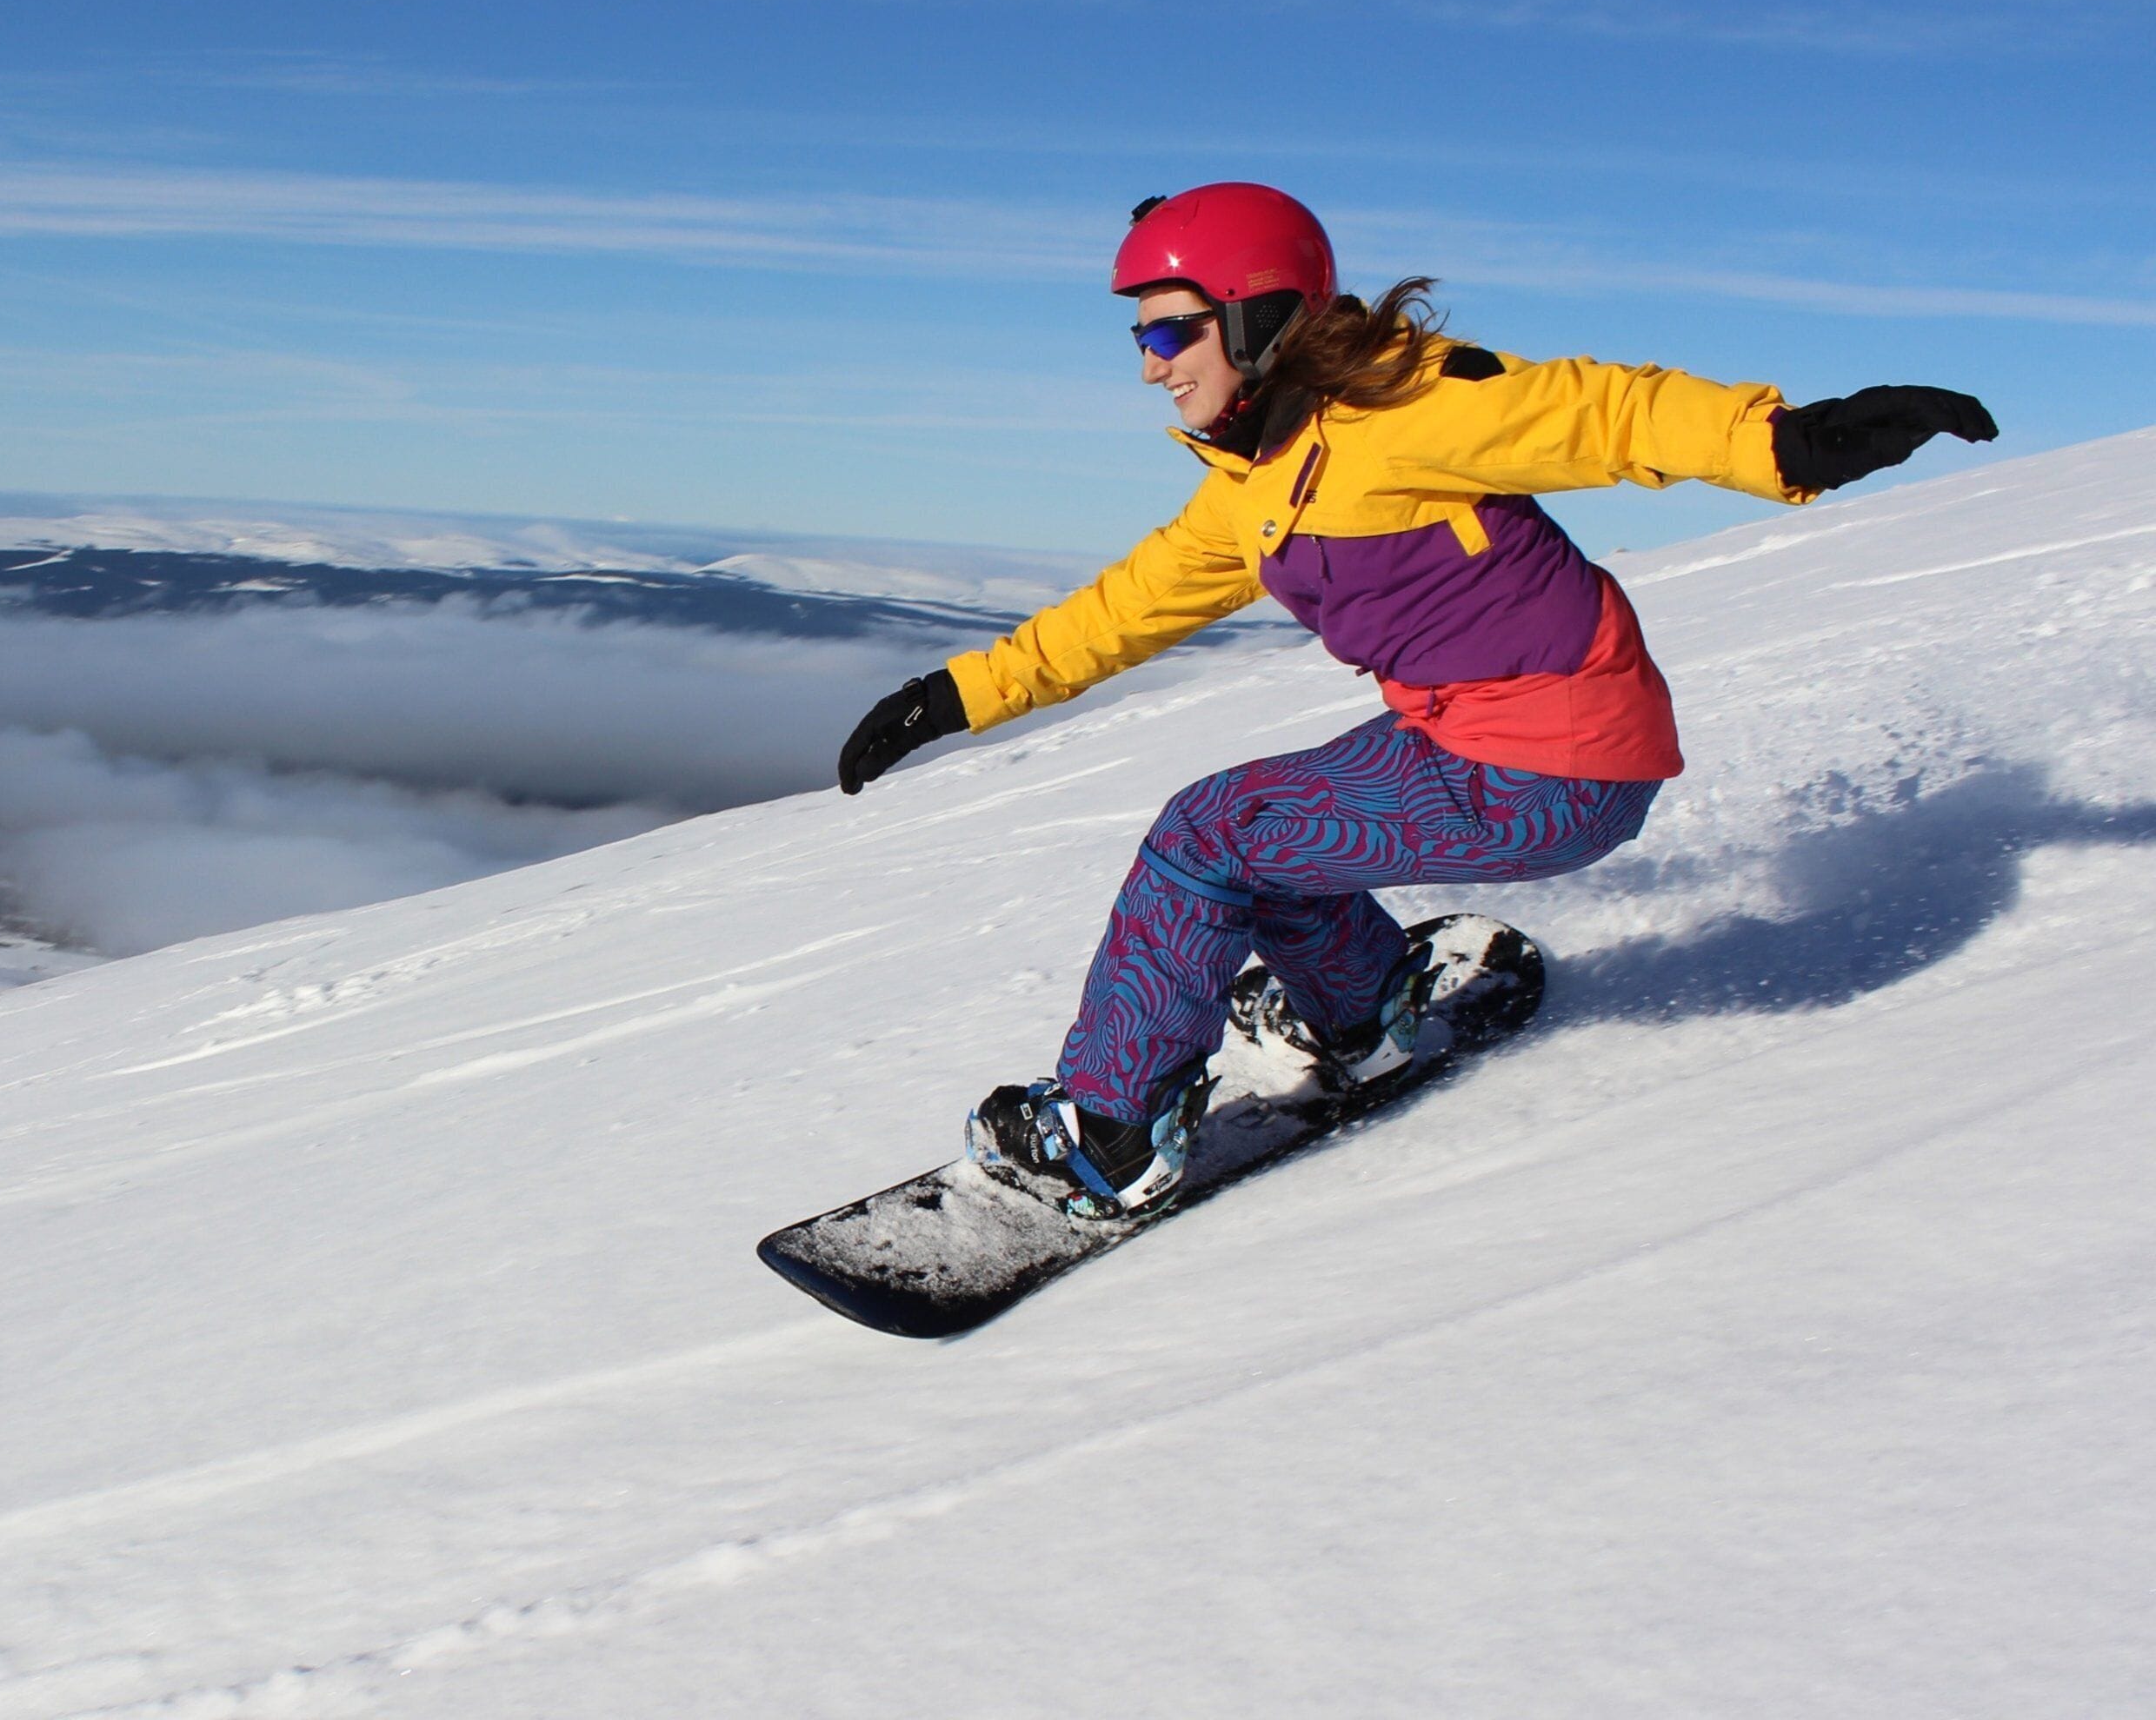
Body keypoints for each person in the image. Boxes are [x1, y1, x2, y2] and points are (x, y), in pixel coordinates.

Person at [834, 183, 1994, 1218]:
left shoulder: (1408, 411)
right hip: (1487, 737)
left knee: (1208, 837)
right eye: (1140, 332)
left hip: (1551, 762)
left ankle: (1111, 1136)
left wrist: (1789, 441)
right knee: (1264, 831)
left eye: (1170, 328)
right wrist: (949, 699)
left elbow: (1604, 412)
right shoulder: (1259, 483)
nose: (1150, 362)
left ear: (1254, 315)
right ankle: (1365, 1010)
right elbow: (1121, 610)